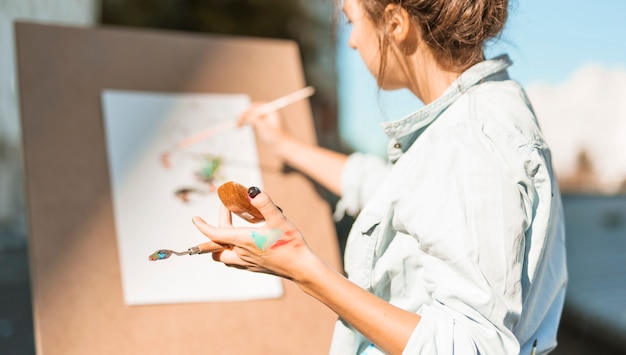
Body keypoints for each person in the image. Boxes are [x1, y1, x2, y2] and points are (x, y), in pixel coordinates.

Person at [191, 0, 568, 353]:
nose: (352, 42)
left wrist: (303, 269)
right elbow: (392, 192)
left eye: (350, 21)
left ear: (395, 24)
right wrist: (286, 146)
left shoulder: (468, 140)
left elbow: (466, 344)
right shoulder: (487, 105)